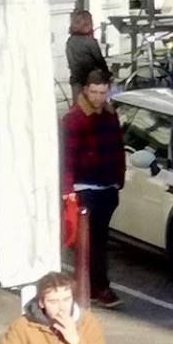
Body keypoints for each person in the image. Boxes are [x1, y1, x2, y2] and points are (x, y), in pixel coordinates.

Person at [61, 76, 124, 308]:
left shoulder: (110, 116)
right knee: (88, 243)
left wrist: (118, 180)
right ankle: (97, 288)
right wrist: (68, 189)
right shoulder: (74, 120)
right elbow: (67, 156)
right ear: (86, 90)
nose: (98, 97)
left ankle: (92, 287)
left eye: (103, 92)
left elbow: (118, 148)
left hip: (106, 186)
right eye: (95, 92)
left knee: (98, 241)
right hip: (84, 188)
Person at [63, 10, 110, 93]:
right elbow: (99, 60)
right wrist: (108, 74)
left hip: (75, 79)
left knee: (78, 104)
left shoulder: (70, 41)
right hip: (90, 80)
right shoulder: (90, 42)